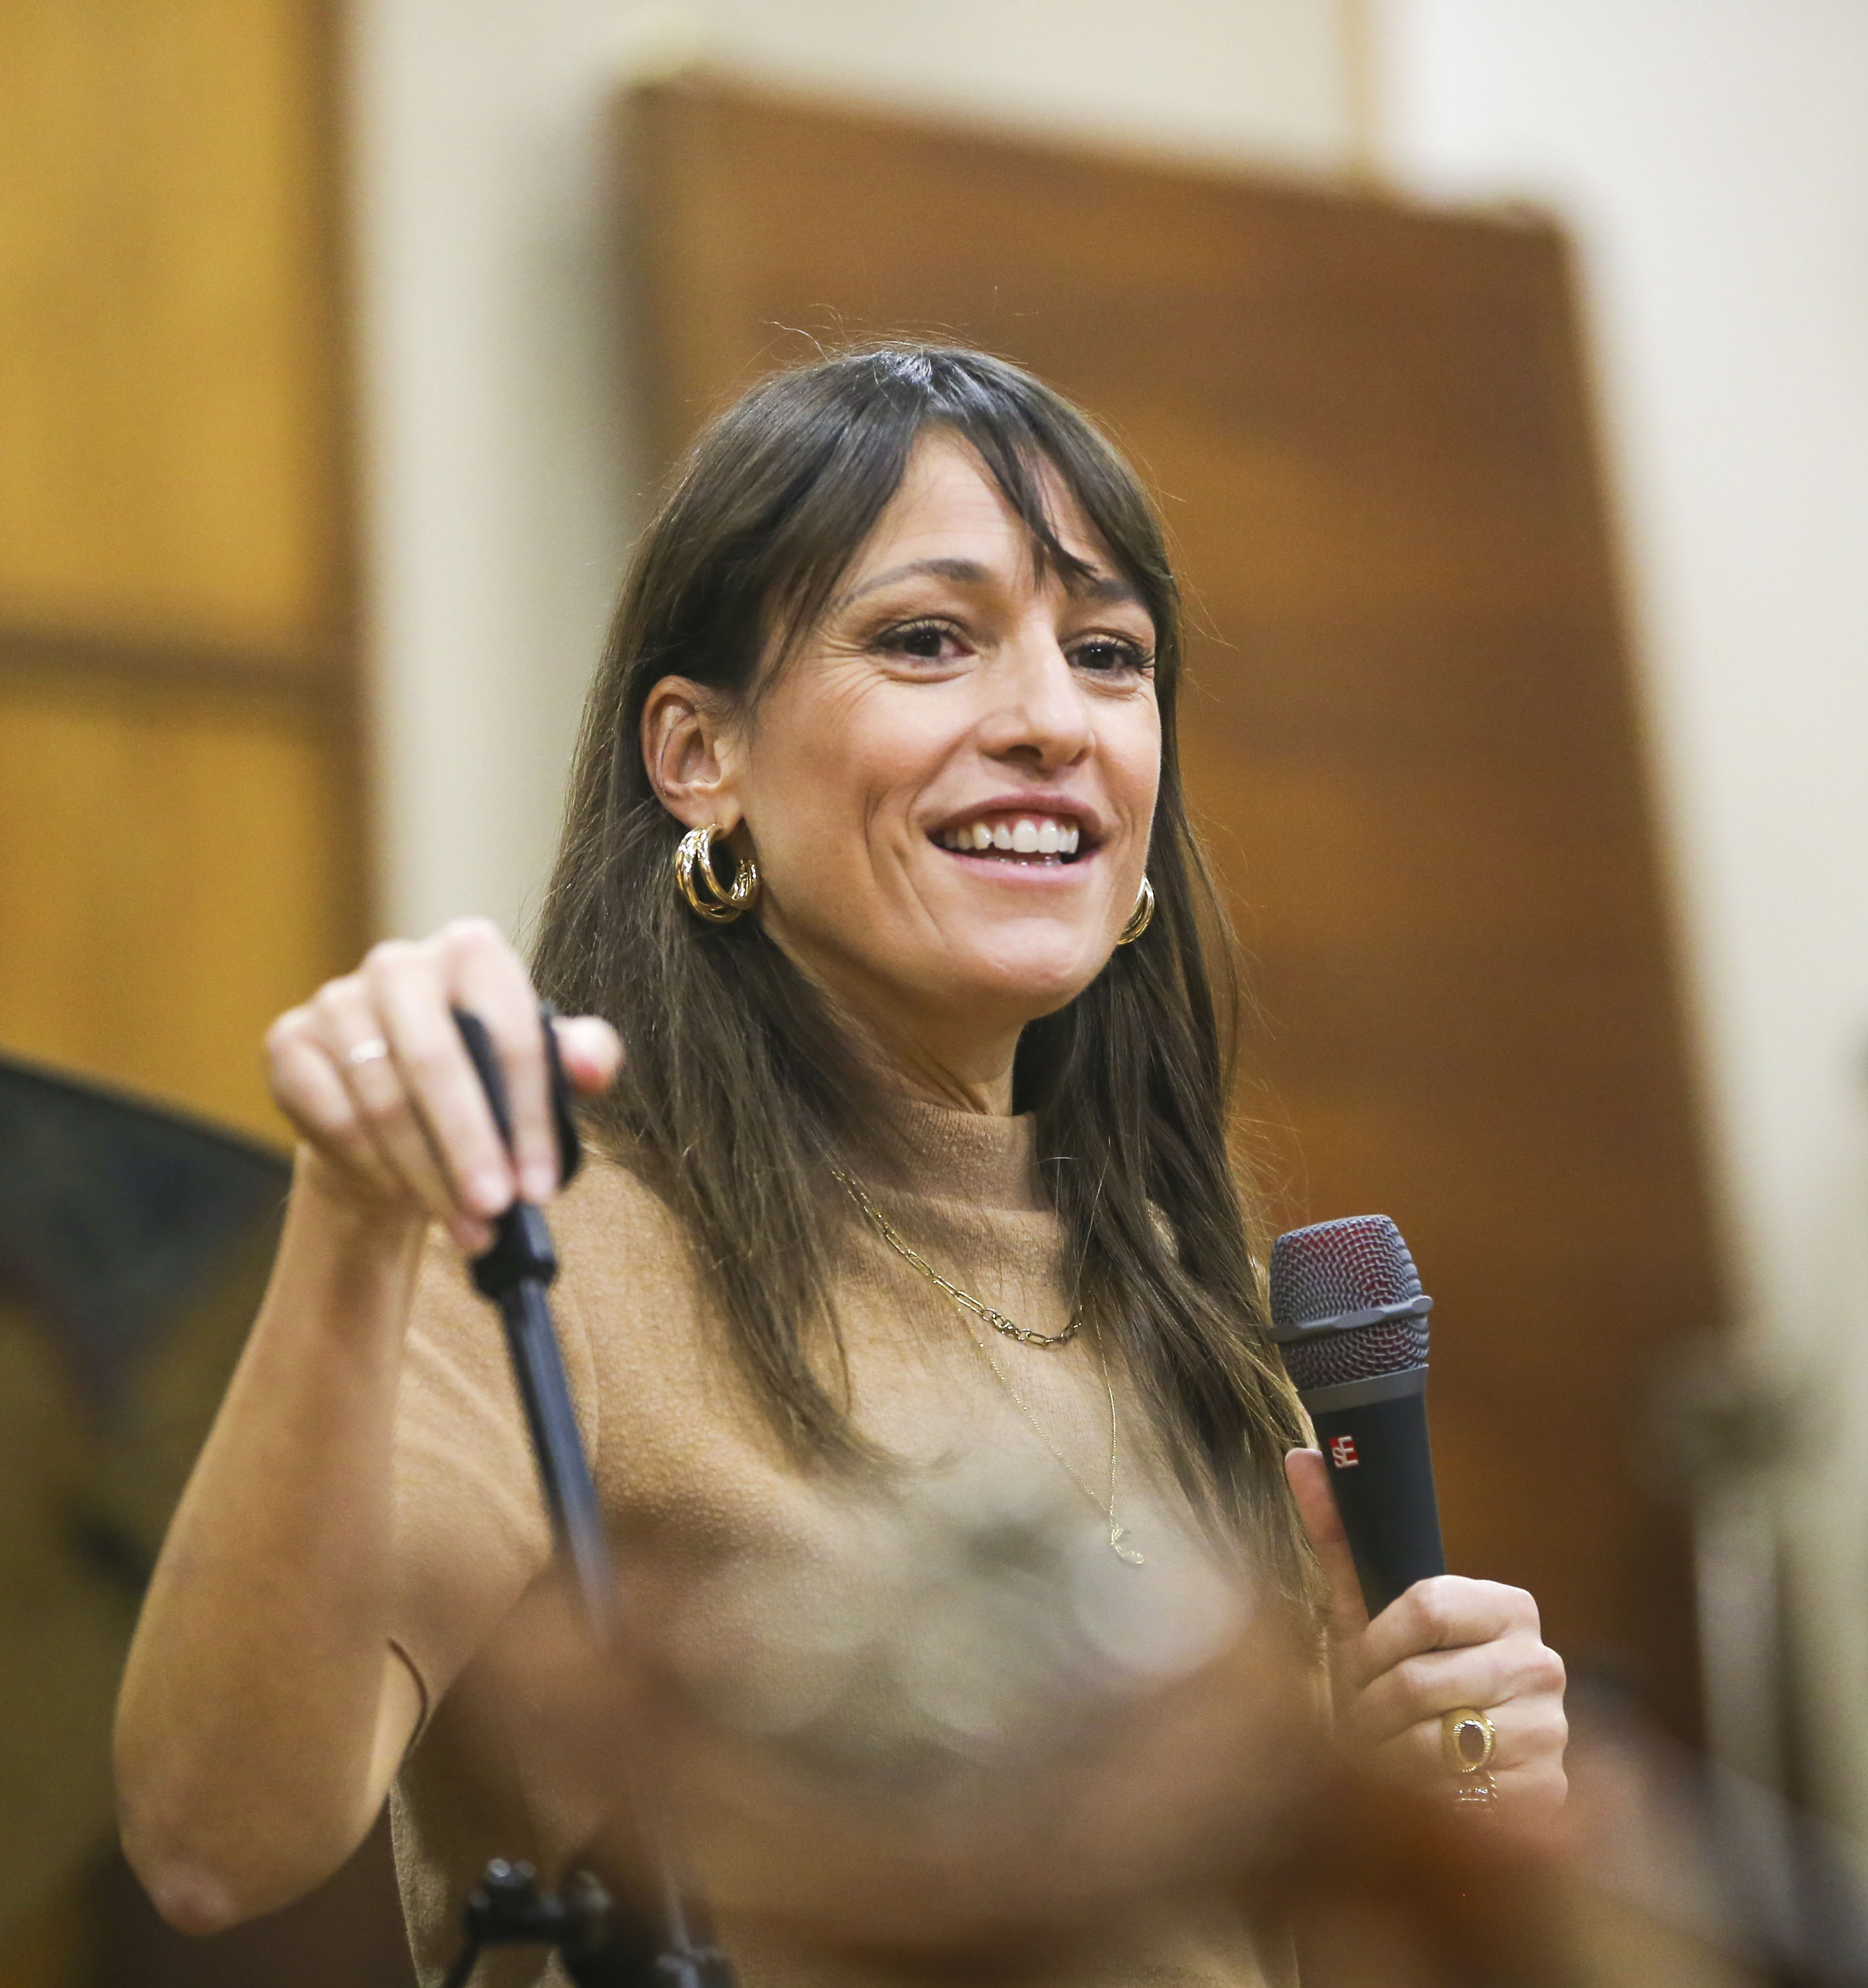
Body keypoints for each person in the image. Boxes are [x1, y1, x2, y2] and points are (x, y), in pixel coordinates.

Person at [114, 343, 1568, 1983]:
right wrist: (351, 1216)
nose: (1050, 723)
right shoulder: (536, 1252)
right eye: (929, 640)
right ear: (699, 755)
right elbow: (214, 1844)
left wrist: (1400, 1828)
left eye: (1108, 656)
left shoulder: (1203, 1305)